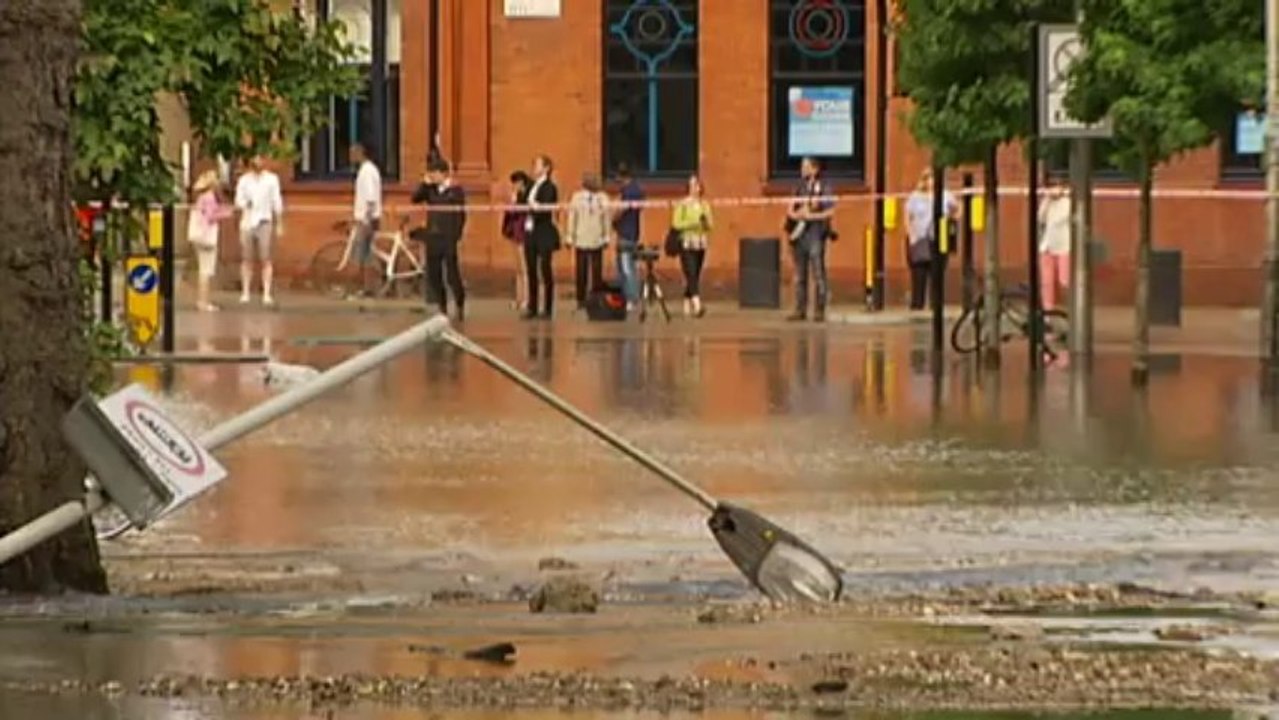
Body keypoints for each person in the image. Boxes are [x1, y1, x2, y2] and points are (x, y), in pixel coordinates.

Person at [411, 157, 467, 320]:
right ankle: (442, 306)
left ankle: (459, 302)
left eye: (434, 173)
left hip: (448, 237)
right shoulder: (431, 190)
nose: (432, 176)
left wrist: (456, 235)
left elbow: (461, 215)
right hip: (433, 237)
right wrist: (425, 183)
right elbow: (415, 198)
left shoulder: (456, 191)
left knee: (452, 273)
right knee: (434, 274)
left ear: (443, 173)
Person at [786, 157, 835, 322]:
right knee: (800, 274)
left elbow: (830, 211)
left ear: (815, 169)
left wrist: (813, 216)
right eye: (802, 166)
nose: (803, 169)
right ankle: (800, 309)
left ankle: (819, 310)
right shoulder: (798, 187)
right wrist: (798, 214)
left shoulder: (825, 188)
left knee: (818, 272)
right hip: (799, 234)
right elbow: (790, 210)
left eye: (806, 166)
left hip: (815, 233)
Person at [904, 168, 958, 311]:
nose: (932, 181)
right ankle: (917, 304)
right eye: (929, 178)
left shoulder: (946, 195)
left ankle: (936, 304)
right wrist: (911, 236)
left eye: (934, 178)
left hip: (939, 239)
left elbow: (957, 209)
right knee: (919, 274)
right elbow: (908, 216)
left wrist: (951, 221)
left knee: (937, 273)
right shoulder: (915, 197)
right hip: (920, 238)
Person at [233, 154, 284, 305]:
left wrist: (279, 223)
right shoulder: (244, 180)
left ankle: (266, 293)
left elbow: (277, 201)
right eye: (254, 159)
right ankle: (245, 292)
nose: (258, 162)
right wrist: (244, 204)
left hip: (264, 221)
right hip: (247, 222)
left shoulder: (272, 179)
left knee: (265, 258)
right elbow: (238, 200)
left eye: (260, 159)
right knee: (246, 258)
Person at [187, 170, 233, 312]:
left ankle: (201, 301)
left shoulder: (199, 197)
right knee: (206, 271)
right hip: (207, 237)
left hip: (197, 236)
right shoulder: (210, 197)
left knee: (202, 270)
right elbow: (210, 216)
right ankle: (204, 302)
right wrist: (226, 213)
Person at [523, 154, 560, 320]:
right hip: (530, 232)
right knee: (531, 269)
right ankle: (532, 306)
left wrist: (535, 206)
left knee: (545, 269)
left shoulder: (549, 187)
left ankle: (548, 307)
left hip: (544, 231)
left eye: (537, 165)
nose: (534, 168)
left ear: (546, 168)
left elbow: (546, 206)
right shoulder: (531, 186)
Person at [567, 172, 610, 309]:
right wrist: (570, 236)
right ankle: (581, 299)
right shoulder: (577, 197)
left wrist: (606, 236)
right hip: (581, 238)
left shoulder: (603, 198)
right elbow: (572, 217)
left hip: (596, 237)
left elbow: (606, 217)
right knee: (581, 270)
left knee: (597, 270)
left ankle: (596, 297)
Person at [671, 174, 712, 318]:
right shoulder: (682, 204)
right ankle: (697, 304)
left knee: (696, 273)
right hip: (686, 242)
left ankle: (687, 298)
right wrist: (693, 224)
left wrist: (705, 223)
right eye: (692, 185)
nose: (695, 188)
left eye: (697, 185)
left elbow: (710, 225)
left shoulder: (704, 205)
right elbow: (676, 223)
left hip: (700, 242)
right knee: (691, 272)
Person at [349, 143, 383, 296]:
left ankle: (368, 287)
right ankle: (370, 286)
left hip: (366, 218)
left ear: (360, 153)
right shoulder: (367, 170)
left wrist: (366, 219)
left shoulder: (367, 171)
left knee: (363, 253)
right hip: (367, 217)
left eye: (353, 153)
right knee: (367, 253)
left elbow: (370, 198)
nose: (350, 156)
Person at [612, 164, 644, 309]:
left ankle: (631, 298)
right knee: (627, 266)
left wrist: (612, 218)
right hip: (632, 231)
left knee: (626, 267)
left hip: (626, 232)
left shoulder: (629, 191)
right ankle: (628, 297)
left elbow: (621, 210)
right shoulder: (637, 189)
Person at [501, 170, 532, 312]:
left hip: (524, 234)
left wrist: (515, 204)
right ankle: (519, 298)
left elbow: (523, 213)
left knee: (525, 268)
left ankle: (527, 298)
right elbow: (509, 214)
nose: (514, 186)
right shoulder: (516, 196)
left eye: (517, 183)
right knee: (518, 269)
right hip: (515, 233)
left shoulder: (528, 196)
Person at [1038, 180, 1072, 310]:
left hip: (1064, 246)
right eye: (1051, 186)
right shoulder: (1047, 203)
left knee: (1065, 280)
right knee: (1047, 281)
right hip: (1047, 246)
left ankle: (1071, 307)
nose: (1054, 189)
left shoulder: (1067, 203)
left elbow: (1061, 219)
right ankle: (1047, 309)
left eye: (1056, 186)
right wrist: (1047, 200)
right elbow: (1041, 218)